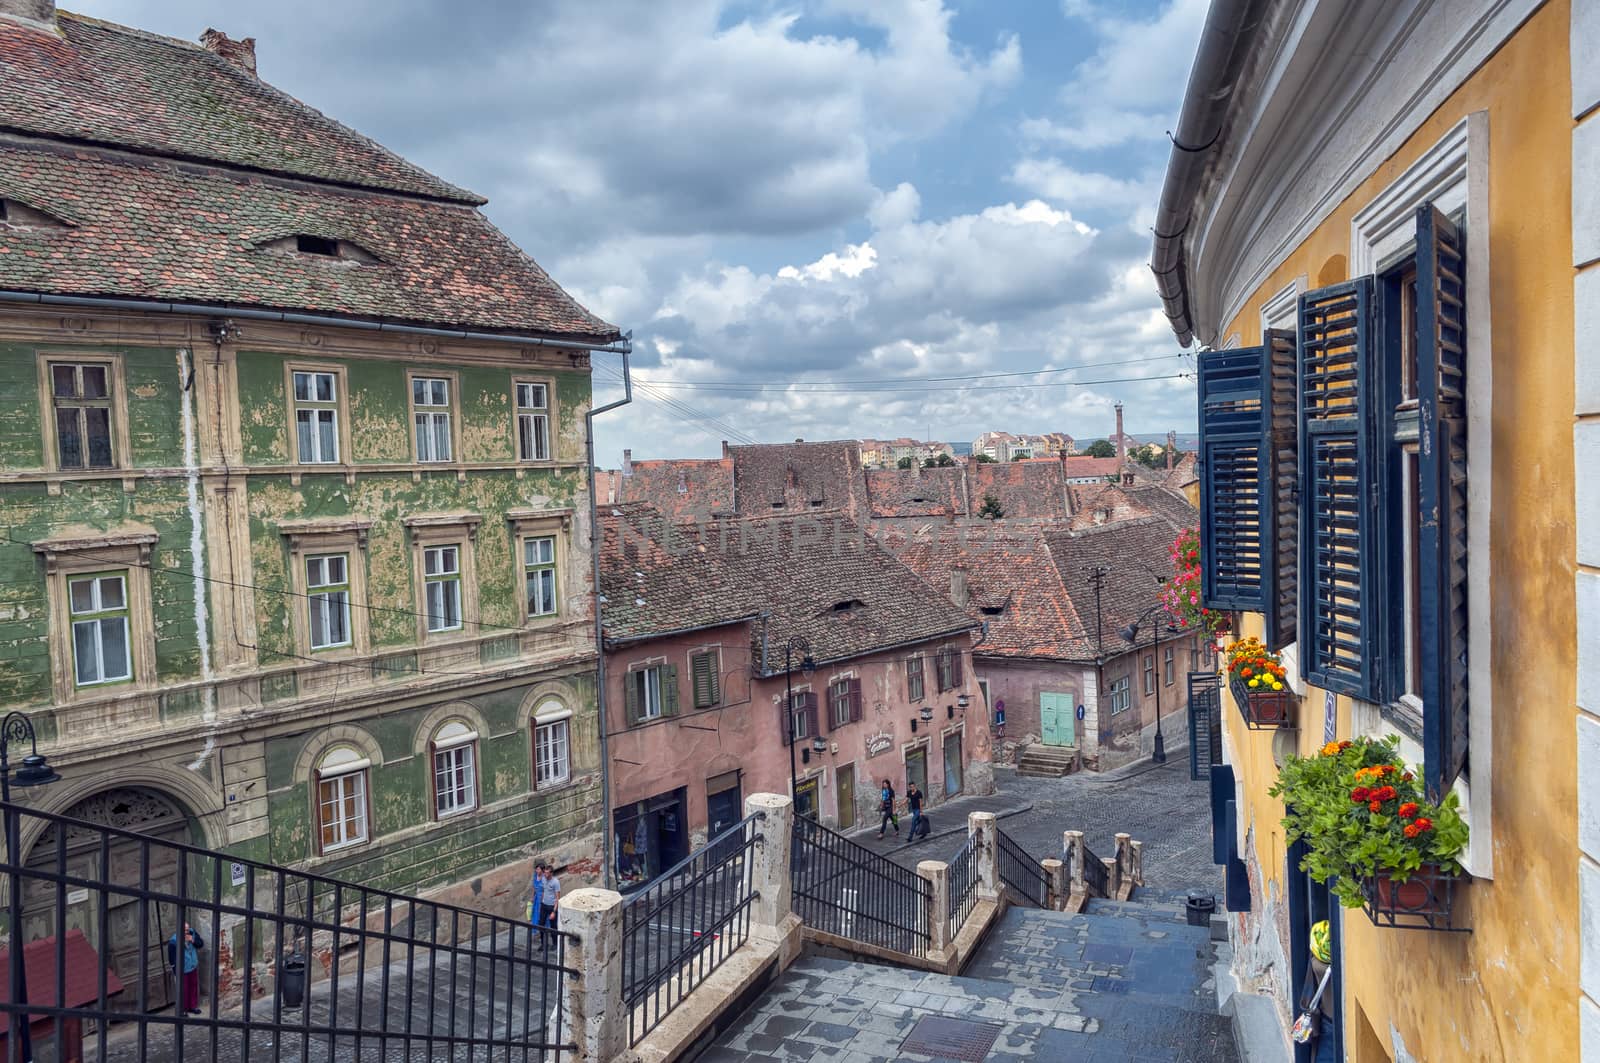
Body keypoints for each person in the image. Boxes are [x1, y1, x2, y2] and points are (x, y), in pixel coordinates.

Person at [166, 922, 204, 1015]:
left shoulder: (192, 933)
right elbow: (172, 960)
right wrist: (176, 972)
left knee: (193, 987)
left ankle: (193, 1006)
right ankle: (183, 1010)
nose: (186, 932)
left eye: (187, 929)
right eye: (184, 930)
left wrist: (193, 940)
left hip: (193, 966)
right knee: (183, 990)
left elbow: (200, 944)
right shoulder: (173, 942)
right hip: (182, 969)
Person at [541, 864, 561, 936]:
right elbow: (543, 890)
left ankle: (555, 943)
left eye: (547, 873)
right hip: (544, 905)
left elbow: (557, 898)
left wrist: (554, 911)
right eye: (545, 872)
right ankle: (543, 943)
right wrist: (541, 901)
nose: (545, 874)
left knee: (553, 926)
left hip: (552, 906)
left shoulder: (556, 882)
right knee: (541, 924)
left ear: (551, 873)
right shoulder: (543, 879)